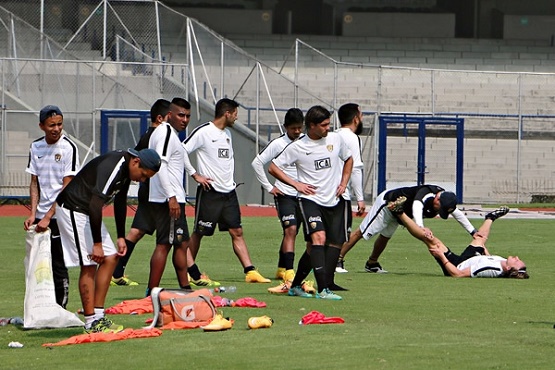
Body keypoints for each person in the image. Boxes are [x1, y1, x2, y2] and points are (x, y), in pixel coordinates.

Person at [56, 148, 161, 333]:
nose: (142, 180)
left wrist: (121, 236)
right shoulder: (115, 165)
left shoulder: (128, 168)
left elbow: (120, 201)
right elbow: (96, 205)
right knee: (89, 264)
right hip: (73, 208)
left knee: (111, 257)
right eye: (143, 175)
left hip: (87, 211)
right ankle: (91, 322)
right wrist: (97, 244)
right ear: (136, 162)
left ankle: (99, 316)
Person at [183, 98, 271, 284]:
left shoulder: (227, 134)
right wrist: (194, 174)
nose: (236, 119)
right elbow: (181, 151)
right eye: (235, 114)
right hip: (210, 192)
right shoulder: (204, 132)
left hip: (228, 193)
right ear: (227, 113)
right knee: (199, 232)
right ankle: (189, 270)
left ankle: (250, 271)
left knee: (237, 231)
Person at [269, 105, 353, 300]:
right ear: (312, 126)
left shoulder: (335, 139)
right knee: (319, 239)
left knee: (312, 249)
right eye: (324, 125)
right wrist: (296, 184)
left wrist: (343, 182)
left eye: (329, 124)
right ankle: (324, 290)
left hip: (332, 200)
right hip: (309, 200)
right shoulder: (298, 147)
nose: (328, 128)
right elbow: (273, 167)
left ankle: (296, 286)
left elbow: (349, 159)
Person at [338, 184, 480, 274]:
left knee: (385, 237)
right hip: (388, 203)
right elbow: (417, 206)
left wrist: (473, 232)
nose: (439, 211)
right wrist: (421, 228)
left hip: (400, 212)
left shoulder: (445, 199)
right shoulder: (426, 193)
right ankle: (338, 259)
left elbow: (458, 214)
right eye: (440, 208)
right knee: (361, 232)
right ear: (437, 200)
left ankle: (372, 263)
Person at [251, 108, 314, 294]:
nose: (297, 132)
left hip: (303, 195)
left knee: (294, 232)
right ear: (285, 127)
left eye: (299, 128)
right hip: (285, 194)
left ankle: (281, 267)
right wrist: (269, 187)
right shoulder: (278, 144)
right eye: (293, 128)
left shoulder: (306, 142)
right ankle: (289, 272)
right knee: (291, 230)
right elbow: (257, 162)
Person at [23, 105, 80, 308]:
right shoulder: (35, 147)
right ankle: (40, 307)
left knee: (57, 263)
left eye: (59, 124)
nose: (56, 129)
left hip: (60, 215)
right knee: (38, 264)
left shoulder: (68, 148)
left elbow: (67, 187)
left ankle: (60, 308)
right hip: (41, 215)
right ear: (41, 126)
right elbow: (34, 183)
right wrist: (33, 214)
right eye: (51, 125)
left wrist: (49, 215)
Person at [111, 98, 171, 286]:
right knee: (173, 236)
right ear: (161, 118)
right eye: (171, 116)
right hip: (155, 192)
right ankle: (193, 275)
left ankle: (116, 271)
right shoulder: (158, 135)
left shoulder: (150, 134)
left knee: (137, 231)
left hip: (148, 190)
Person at [389, 199, 529, 279]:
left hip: (456, 265)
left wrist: (442, 257)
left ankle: (399, 212)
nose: (516, 257)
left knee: (430, 240)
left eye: (517, 261)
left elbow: (458, 274)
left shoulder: (492, 269)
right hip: (470, 259)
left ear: (510, 268)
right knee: (481, 238)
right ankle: (490, 217)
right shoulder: (502, 262)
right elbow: (487, 258)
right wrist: (481, 246)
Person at [145, 97, 195, 296]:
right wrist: (171, 197)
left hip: (172, 197)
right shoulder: (165, 132)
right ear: (169, 115)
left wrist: (194, 174)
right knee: (164, 243)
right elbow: (161, 164)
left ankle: (185, 287)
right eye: (181, 115)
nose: (184, 120)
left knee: (181, 243)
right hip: (167, 199)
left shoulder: (171, 134)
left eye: (188, 116)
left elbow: (180, 158)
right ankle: (152, 291)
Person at [334, 103, 366, 279]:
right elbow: (355, 168)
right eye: (361, 116)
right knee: (342, 230)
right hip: (342, 192)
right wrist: (360, 198)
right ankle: (336, 262)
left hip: (328, 191)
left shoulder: (333, 135)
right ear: (356, 118)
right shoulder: (352, 138)